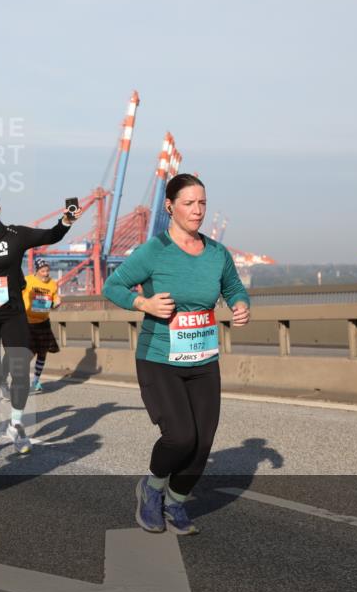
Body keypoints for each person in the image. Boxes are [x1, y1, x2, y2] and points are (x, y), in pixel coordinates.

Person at [103, 174, 250, 536]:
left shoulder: (217, 253)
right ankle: (151, 490)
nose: (197, 210)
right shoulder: (154, 251)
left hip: (204, 359)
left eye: (202, 203)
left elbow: (233, 287)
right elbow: (113, 285)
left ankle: (176, 501)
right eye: (189, 203)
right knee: (180, 437)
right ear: (169, 206)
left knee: (202, 444)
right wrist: (144, 303)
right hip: (159, 358)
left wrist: (240, 304)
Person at [0, 191, 79, 456]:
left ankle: (15, 425)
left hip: (12, 312)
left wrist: (67, 221)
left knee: (19, 370)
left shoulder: (16, 235)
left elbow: (51, 235)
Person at [22, 257, 61, 392]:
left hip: (43, 322)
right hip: (27, 323)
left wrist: (57, 303)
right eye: (43, 271)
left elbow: (54, 300)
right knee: (28, 354)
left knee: (42, 353)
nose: (46, 274)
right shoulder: (27, 281)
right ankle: (22, 379)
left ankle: (36, 381)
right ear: (37, 271)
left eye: (47, 271)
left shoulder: (53, 284)